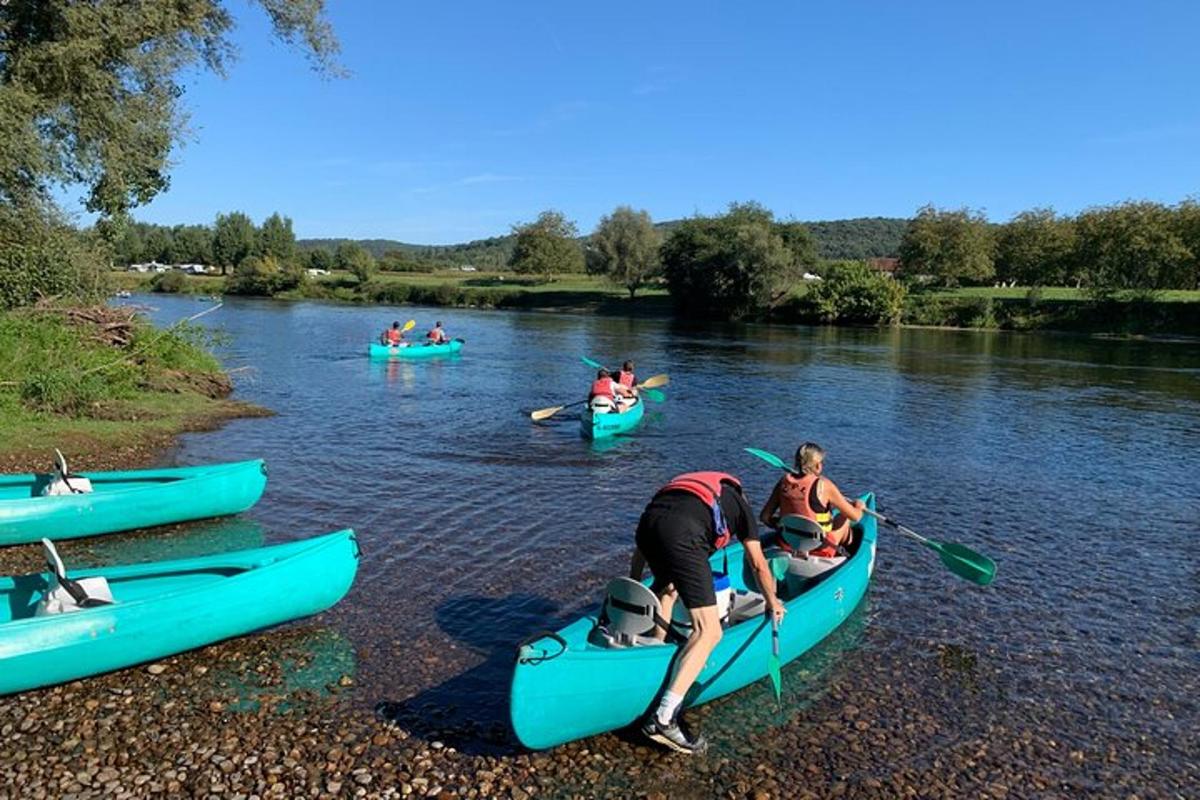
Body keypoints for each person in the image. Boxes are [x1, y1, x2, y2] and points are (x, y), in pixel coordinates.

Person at [629, 472, 784, 754]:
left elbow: (642, 549)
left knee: (667, 589)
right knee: (710, 631)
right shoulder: (740, 505)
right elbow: (759, 565)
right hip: (683, 534)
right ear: (739, 491)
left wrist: (635, 587)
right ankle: (663, 719)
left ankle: (656, 646)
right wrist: (772, 600)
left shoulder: (690, 487)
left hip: (648, 526)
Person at [759, 442, 864, 557]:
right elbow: (856, 516)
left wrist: (783, 525)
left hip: (787, 544)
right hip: (819, 549)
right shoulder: (824, 485)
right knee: (844, 518)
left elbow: (764, 517)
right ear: (818, 465)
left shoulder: (783, 483)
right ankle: (849, 555)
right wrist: (859, 506)